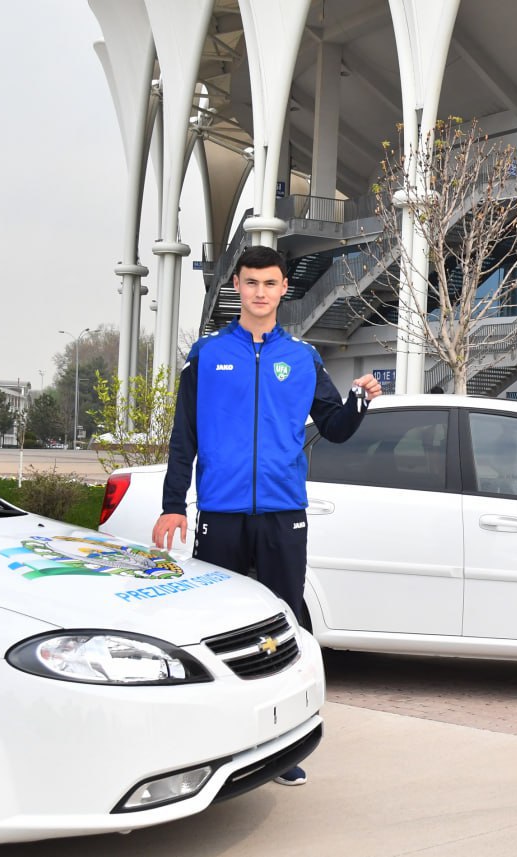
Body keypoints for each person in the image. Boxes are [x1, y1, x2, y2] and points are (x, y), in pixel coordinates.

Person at [152, 246, 382, 788]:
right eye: (251, 282)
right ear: (237, 285)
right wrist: (172, 504)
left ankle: (282, 746)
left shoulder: (303, 359)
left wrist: (359, 401)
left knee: (283, 629)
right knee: (215, 630)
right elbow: (184, 436)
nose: (260, 292)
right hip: (221, 514)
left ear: (284, 289)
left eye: (270, 283)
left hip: (283, 514)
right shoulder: (207, 355)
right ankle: (217, 742)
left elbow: (335, 428)